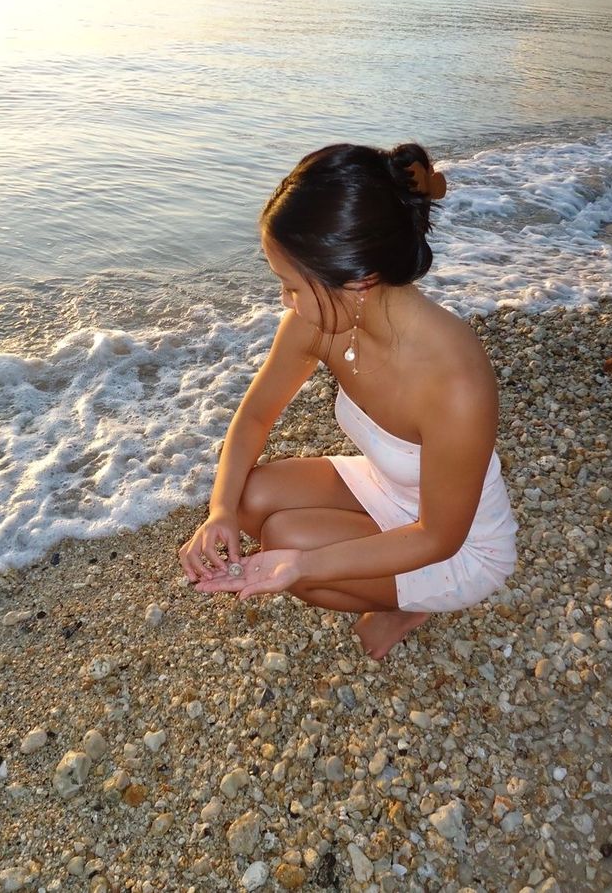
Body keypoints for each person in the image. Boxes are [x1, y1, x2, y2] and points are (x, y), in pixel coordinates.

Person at [178, 143, 518, 659]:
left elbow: (439, 537)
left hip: (459, 542)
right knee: (248, 498)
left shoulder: (455, 381)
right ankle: (371, 575)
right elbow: (254, 416)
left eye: (290, 286)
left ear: (358, 280)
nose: (284, 301)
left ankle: (408, 604)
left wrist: (303, 566)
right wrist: (219, 512)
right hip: (389, 487)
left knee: (288, 546)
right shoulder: (319, 321)